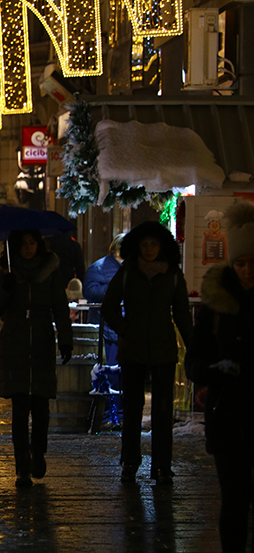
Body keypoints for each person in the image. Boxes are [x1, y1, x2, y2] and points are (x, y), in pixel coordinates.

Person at [185, 200, 254, 553]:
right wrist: (213, 372)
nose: (246, 271)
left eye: (252, 263)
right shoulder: (215, 305)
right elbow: (194, 361)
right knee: (234, 502)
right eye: (240, 263)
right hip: (228, 419)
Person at [102, 221, 192, 485]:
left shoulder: (173, 274)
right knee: (132, 409)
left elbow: (183, 315)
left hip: (163, 349)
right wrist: (126, 331)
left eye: (154, 244)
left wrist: (193, 345)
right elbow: (109, 306)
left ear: (162, 245)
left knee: (163, 411)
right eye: (145, 244)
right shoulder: (128, 272)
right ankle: (130, 462)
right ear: (137, 247)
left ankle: (162, 465)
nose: (150, 249)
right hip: (133, 350)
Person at [0, 229, 73, 487]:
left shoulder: (50, 270)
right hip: (15, 343)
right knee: (20, 409)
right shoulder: (7, 272)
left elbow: (59, 305)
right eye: (23, 244)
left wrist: (65, 339)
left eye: (32, 243)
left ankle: (39, 454)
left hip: (42, 343)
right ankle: (22, 467)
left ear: (39, 244)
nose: (28, 248)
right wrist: (6, 289)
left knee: (41, 408)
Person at [84, 233, 126, 427]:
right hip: (108, 330)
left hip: (126, 329)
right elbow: (91, 292)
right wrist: (116, 290)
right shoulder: (100, 268)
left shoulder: (130, 268)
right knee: (111, 374)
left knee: (124, 375)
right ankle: (111, 415)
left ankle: (121, 414)